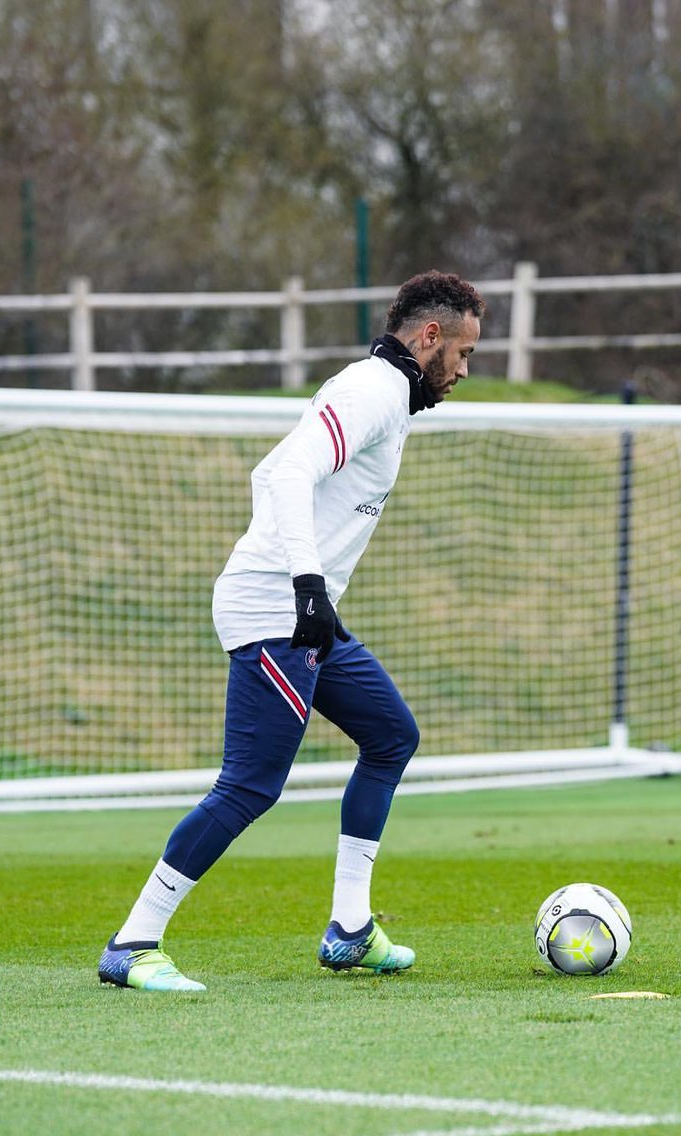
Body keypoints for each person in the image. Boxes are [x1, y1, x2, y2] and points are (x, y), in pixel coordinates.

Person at [98, 270, 485, 991]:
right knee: (249, 786)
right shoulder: (372, 389)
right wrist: (307, 585)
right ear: (428, 337)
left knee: (391, 735)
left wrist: (315, 595)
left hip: (308, 612)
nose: (463, 370)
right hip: (278, 610)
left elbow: (272, 471)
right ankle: (132, 942)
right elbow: (285, 476)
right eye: (462, 353)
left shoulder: (390, 396)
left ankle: (349, 930)